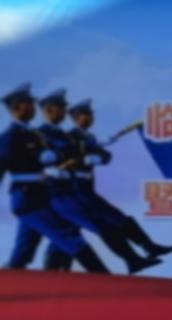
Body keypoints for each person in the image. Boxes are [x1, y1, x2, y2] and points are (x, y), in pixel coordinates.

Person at [28, 88, 160, 274]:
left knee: (69, 235)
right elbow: (32, 160)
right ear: (49, 110)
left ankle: (54, 275)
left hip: (73, 191)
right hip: (57, 193)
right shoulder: (39, 135)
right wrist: (52, 167)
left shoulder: (67, 136)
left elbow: (87, 153)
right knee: (95, 227)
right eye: (61, 108)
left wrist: (95, 151)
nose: (65, 112)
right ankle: (130, 261)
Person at [0, 83, 107, 273]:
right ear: (16, 107)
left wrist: (85, 150)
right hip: (27, 199)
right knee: (67, 234)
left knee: (23, 252)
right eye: (28, 103)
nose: (34, 107)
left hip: (42, 196)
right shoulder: (10, 137)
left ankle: (20, 278)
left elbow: (59, 154)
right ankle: (104, 277)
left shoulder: (34, 134)